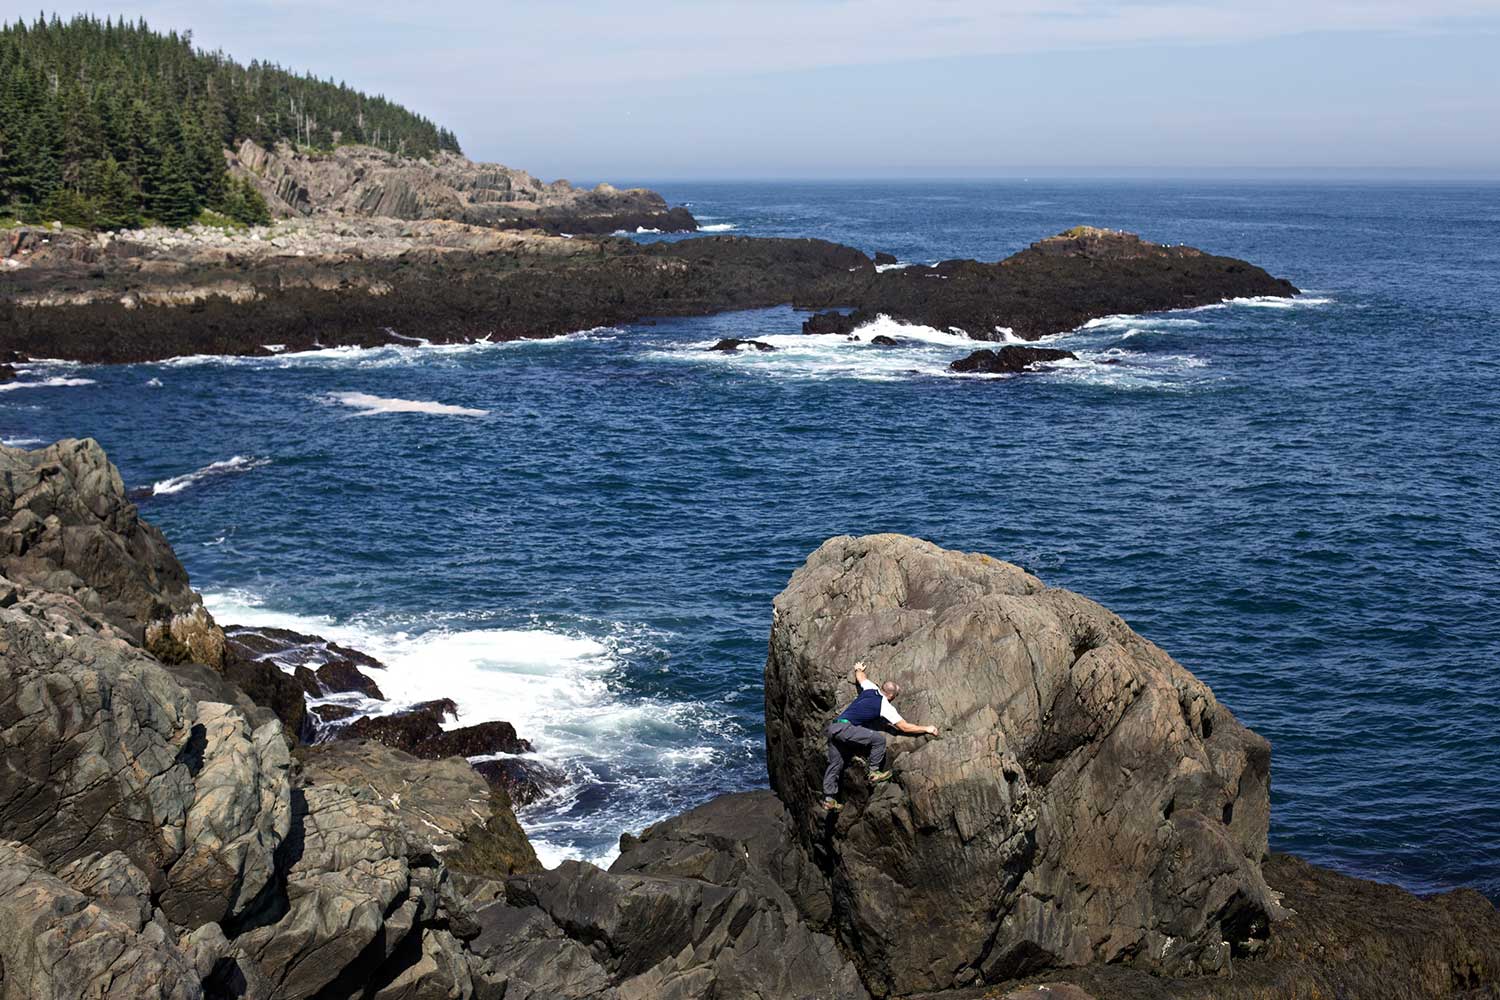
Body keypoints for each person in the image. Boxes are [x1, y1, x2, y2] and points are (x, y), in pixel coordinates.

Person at [822, 661, 938, 811]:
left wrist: (858, 668)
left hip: (834, 728)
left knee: (836, 765)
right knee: (879, 740)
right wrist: (926, 728)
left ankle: (829, 799)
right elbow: (904, 727)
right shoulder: (885, 705)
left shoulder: (871, 688)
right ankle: (874, 772)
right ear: (891, 696)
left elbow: (860, 677)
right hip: (846, 729)